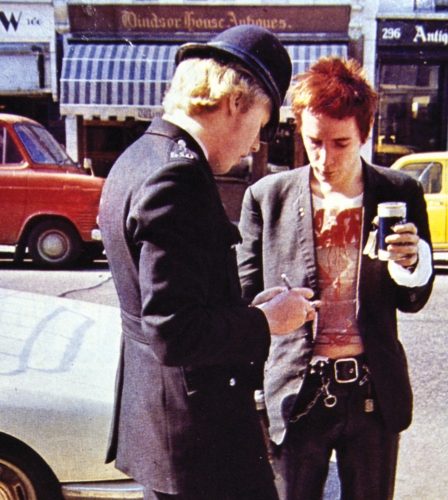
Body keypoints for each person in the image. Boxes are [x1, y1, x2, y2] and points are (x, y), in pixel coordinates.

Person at [99, 25, 318, 500]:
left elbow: (167, 297)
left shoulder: (138, 157)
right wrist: (265, 321)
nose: (257, 144)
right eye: (262, 124)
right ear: (236, 103)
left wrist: (244, 308)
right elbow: (173, 330)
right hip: (201, 449)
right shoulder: (178, 177)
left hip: (163, 431)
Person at [237, 56, 435, 500]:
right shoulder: (268, 198)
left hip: (373, 391)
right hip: (296, 390)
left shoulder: (398, 193)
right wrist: (252, 398)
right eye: (314, 143)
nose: (326, 158)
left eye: (341, 143)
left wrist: (411, 263)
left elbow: (414, 299)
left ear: (364, 134)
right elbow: (244, 301)